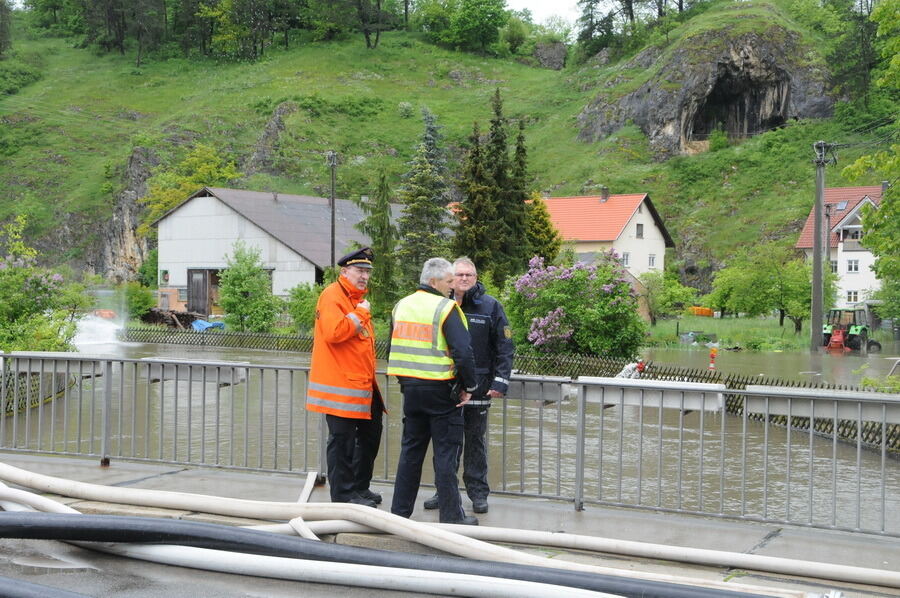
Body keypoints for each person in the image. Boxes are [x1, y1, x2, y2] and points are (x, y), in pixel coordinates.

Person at [389, 258, 480, 525]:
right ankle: (452, 517)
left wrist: (406, 381)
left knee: (410, 453)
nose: (453, 286)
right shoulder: (446, 307)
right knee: (445, 454)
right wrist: (469, 387)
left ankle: (399, 514)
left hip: (410, 390)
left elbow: (393, 347)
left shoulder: (400, 306)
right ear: (433, 282)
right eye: (449, 281)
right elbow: (463, 352)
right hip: (441, 391)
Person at [423, 257, 514, 515]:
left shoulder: (490, 306)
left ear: (476, 278)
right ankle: (444, 492)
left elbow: (505, 347)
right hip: (445, 387)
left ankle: (478, 493)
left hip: (480, 387)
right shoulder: (441, 304)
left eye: (469, 275)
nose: (464, 279)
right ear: (451, 277)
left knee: (475, 442)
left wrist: (500, 381)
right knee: (446, 442)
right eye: (459, 274)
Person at [306, 247, 384, 507]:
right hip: (340, 387)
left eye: (367, 272)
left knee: (371, 435)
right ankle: (343, 496)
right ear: (345, 271)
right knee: (342, 443)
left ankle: (360, 488)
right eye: (359, 270)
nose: (364, 276)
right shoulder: (333, 296)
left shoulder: (357, 300)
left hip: (361, 386)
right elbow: (333, 333)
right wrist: (361, 313)